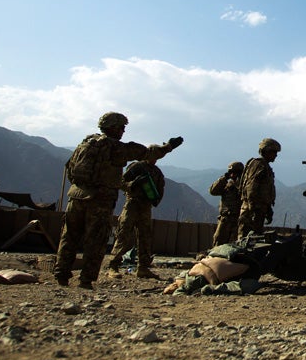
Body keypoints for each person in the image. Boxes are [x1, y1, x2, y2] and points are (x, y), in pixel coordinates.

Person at [54, 111, 182, 289]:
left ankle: (61, 274)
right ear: (113, 128)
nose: (123, 131)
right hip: (99, 199)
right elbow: (146, 152)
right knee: (97, 239)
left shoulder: (84, 144)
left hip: (75, 196)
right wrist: (168, 147)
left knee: (69, 235)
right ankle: (86, 280)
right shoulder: (115, 148)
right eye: (121, 127)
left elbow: (69, 168)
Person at [106, 159, 165, 279]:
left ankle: (143, 268)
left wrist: (155, 199)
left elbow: (160, 189)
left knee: (145, 237)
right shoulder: (137, 167)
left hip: (146, 207)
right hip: (132, 204)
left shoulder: (157, 172)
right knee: (123, 233)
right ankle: (113, 265)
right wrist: (132, 185)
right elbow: (121, 182)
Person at [237, 138, 280, 238]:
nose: (276, 155)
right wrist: (253, 210)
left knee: (254, 241)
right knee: (245, 241)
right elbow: (251, 188)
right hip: (251, 211)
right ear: (266, 151)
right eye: (274, 152)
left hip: (258, 210)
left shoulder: (265, 166)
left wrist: (268, 208)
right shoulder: (258, 164)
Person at [209, 161, 244, 246]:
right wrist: (224, 178)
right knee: (218, 243)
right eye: (230, 173)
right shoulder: (227, 185)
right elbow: (213, 191)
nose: (232, 175)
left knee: (235, 245)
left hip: (238, 220)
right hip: (225, 220)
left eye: (234, 172)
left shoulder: (244, 185)